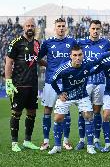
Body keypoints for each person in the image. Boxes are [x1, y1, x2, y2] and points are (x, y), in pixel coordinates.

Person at [48, 45, 110, 155]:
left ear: (83, 55)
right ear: (70, 56)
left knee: (88, 116)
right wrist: (59, 93)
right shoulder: (64, 68)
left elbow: (100, 58)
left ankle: (90, 146)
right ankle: (57, 146)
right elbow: (52, 80)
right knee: (58, 118)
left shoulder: (87, 63)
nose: (78, 57)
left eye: (80, 55)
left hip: (82, 96)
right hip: (67, 96)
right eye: (75, 55)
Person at [38, 18, 77, 151]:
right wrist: (48, 66)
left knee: (66, 111)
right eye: (59, 26)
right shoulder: (48, 42)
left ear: (66, 28)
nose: (61, 28)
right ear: (54, 28)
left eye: (63, 26)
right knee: (48, 109)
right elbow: (38, 58)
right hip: (50, 81)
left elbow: (78, 57)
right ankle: (46, 141)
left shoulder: (72, 42)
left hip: (66, 82)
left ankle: (66, 141)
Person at [5, 18, 40, 152]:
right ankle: (14, 143)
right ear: (23, 27)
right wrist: (8, 81)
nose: (30, 28)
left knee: (32, 112)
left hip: (33, 84)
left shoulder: (37, 43)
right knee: (16, 112)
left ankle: (27, 141)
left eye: (32, 25)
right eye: (27, 25)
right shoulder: (16, 43)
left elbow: (38, 60)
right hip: (19, 84)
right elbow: (8, 61)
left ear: (35, 27)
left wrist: (51, 65)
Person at [76, 20, 110, 150]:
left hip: (100, 81)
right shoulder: (81, 43)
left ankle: (96, 139)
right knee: (83, 112)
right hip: (84, 81)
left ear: (100, 29)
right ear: (89, 29)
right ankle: (81, 140)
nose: (95, 31)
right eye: (93, 28)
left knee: (97, 112)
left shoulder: (106, 43)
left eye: (97, 28)